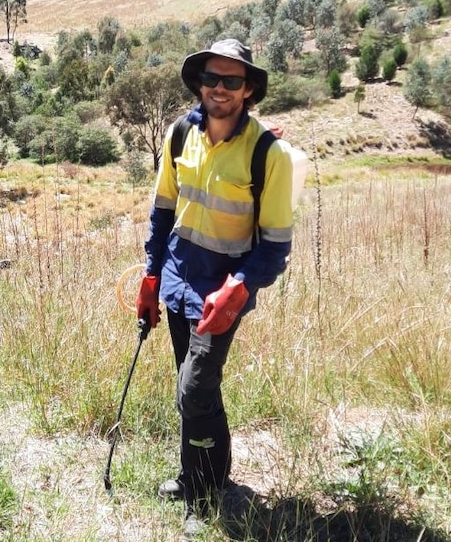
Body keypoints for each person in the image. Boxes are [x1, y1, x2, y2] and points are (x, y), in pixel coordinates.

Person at [135, 38, 295, 539]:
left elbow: (274, 248)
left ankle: (203, 499)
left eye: (231, 81)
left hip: (224, 290)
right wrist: (150, 274)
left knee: (195, 386)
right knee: (195, 388)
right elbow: (163, 212)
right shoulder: (181, 133)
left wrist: (239, 289)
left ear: (248, 90)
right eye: (211, 78)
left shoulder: (270, 154)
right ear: (199, 83)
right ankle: (200, 475)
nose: (219, 89)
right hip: (180, 276)